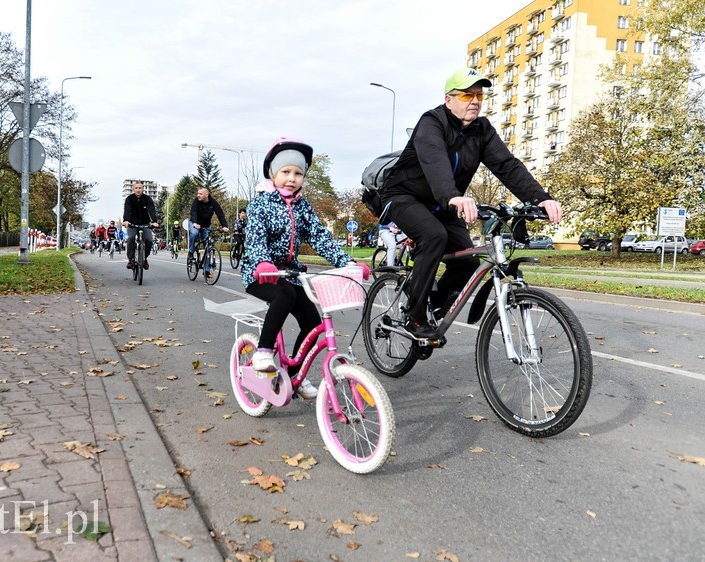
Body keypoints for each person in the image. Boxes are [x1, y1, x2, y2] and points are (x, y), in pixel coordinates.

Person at [379, 67, 562, 340]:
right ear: (448, 99)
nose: (474, 100)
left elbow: (507, 166)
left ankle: (434, 308)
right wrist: (452, 195)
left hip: (445, 203)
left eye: (479, 95)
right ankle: (415, 319)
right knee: (434, 235)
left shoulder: (481, 130)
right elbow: (434, 160)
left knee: (468, 261)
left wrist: (540, 198)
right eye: (466, 94)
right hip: (404, 196)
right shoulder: (431, 122)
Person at [241, 138, 370, 399]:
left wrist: (347, 263)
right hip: (261, 272)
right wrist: (262, 262)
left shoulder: (302, 207)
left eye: (298, 173)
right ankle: (263, 351)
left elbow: (320, 237)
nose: (292, 178)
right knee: (284, 296)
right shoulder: (261, 203)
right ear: (273, 174)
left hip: (292, 274)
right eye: (286, 172)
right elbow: (254, 236)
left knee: (312, 322)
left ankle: (292, 378)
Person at [188, 187, 229, 278]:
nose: (198, 195)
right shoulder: (196, 201)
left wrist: (225, 226)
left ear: (207, 195)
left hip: (206, 225)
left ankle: (207, 270)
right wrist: (195, 223)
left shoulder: (213, 202)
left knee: (208, 248)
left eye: (200, 194)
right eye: (198, 193)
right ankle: (191, 252)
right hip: (195, 223)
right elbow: (193, 212)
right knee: (194, 233)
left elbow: (220, 214)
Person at [123, 181, 159, 270]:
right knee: (131, 238)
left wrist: (154, 221)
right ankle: (131, 260)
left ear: (143, 189)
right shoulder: (129, 199)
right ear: (133, 189)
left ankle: (145, 258)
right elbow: (127, 210)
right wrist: (126, 221)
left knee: (149, 240)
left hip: (145, 224)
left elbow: (151, 210)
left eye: (140, 188)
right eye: (136, 188)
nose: (138, 190)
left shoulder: (147, 199)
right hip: (132, 224)